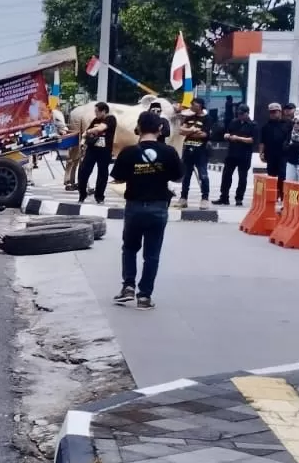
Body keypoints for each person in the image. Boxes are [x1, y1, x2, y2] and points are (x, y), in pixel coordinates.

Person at [111, 111, 182, 310]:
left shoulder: (129, 152)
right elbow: (178, 177)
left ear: (138, 128)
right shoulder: (169, 152)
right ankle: (144, 297)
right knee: (152, 254)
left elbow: (118, 177)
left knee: (129, 248)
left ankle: (128, 287)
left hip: (134, 206)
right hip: (158, 208)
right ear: (160, 129)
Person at [217, 104, 257, 206]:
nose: (240, 116)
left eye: (242, 114)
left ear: (247, 113)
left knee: (242, 177)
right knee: (226, 175)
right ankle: (224, 197)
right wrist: (227, 136)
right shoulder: (234, 122)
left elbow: (252, 140)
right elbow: (228, 133)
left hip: (244, 154)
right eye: (238, 114)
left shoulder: (253, 125)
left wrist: (238, 138)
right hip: (232, 153)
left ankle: (239, 198)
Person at [78, 101, 117, 204]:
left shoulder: (110, 119)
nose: (95, 113)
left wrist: (90, 131)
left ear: (104, 111)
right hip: (92, 149)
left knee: (102, 174)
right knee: (83, 171)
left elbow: (100, 128)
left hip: (104, 151)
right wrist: (83, 141)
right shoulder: (95, 120)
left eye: (97, 111)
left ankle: (99, 196)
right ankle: (82, 194)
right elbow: (85, 133)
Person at [177, 98, 211, 209]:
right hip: (188, 150)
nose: (192, 106)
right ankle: (183, 198)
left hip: (201, 152)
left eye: (194, 104)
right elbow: (181, 130)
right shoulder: (189, 118)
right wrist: (193, 130)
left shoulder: (207, 118)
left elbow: (204, 135)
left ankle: (205, 199)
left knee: (203, 176)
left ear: (200, 105)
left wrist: (188, 132)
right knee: (186, 176)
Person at [259, 102, 292, 203]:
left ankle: (282, 195)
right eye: (271, 112)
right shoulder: (266, 126)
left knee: (282, 175)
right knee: (271, 175)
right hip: (270, 154)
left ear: (280, 112)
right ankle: (273, 194)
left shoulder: (288, 124)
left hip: (283, 154)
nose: (273, 114)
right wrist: (261, 153)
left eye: (275, 112)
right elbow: (262, 141)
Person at [287, 110, 299, 182]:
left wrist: (292, 145)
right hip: (291, 162)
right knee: (289, 183)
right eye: (294, 123)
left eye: (298, 123)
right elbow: (285, 146)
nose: (295, 125)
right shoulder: (290, 132)